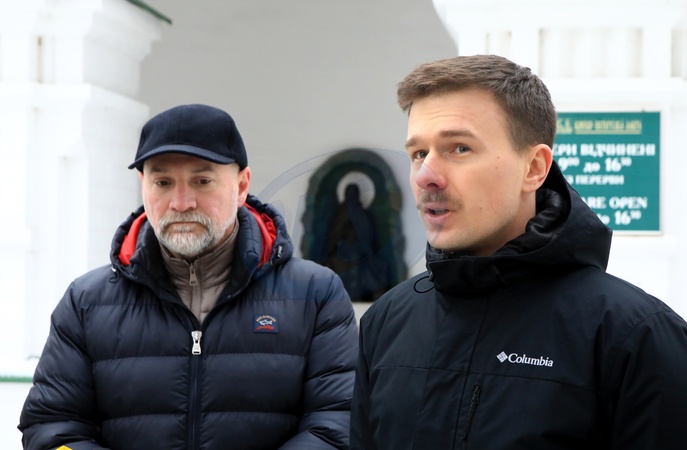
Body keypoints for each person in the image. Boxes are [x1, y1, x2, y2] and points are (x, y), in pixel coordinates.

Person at [350, 55, 687, 449]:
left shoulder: (636, 336)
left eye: (459, 148)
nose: (427, 176)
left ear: (534, 168)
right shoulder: (386, 321)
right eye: (419, 153)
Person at [19, 104, 358, 450]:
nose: (181, 203)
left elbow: (338, 425)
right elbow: (50, 429)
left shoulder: (316, 295)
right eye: (163, 182)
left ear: (242, 185)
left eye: (202, 181)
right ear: (143, 186)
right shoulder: (86, 303)